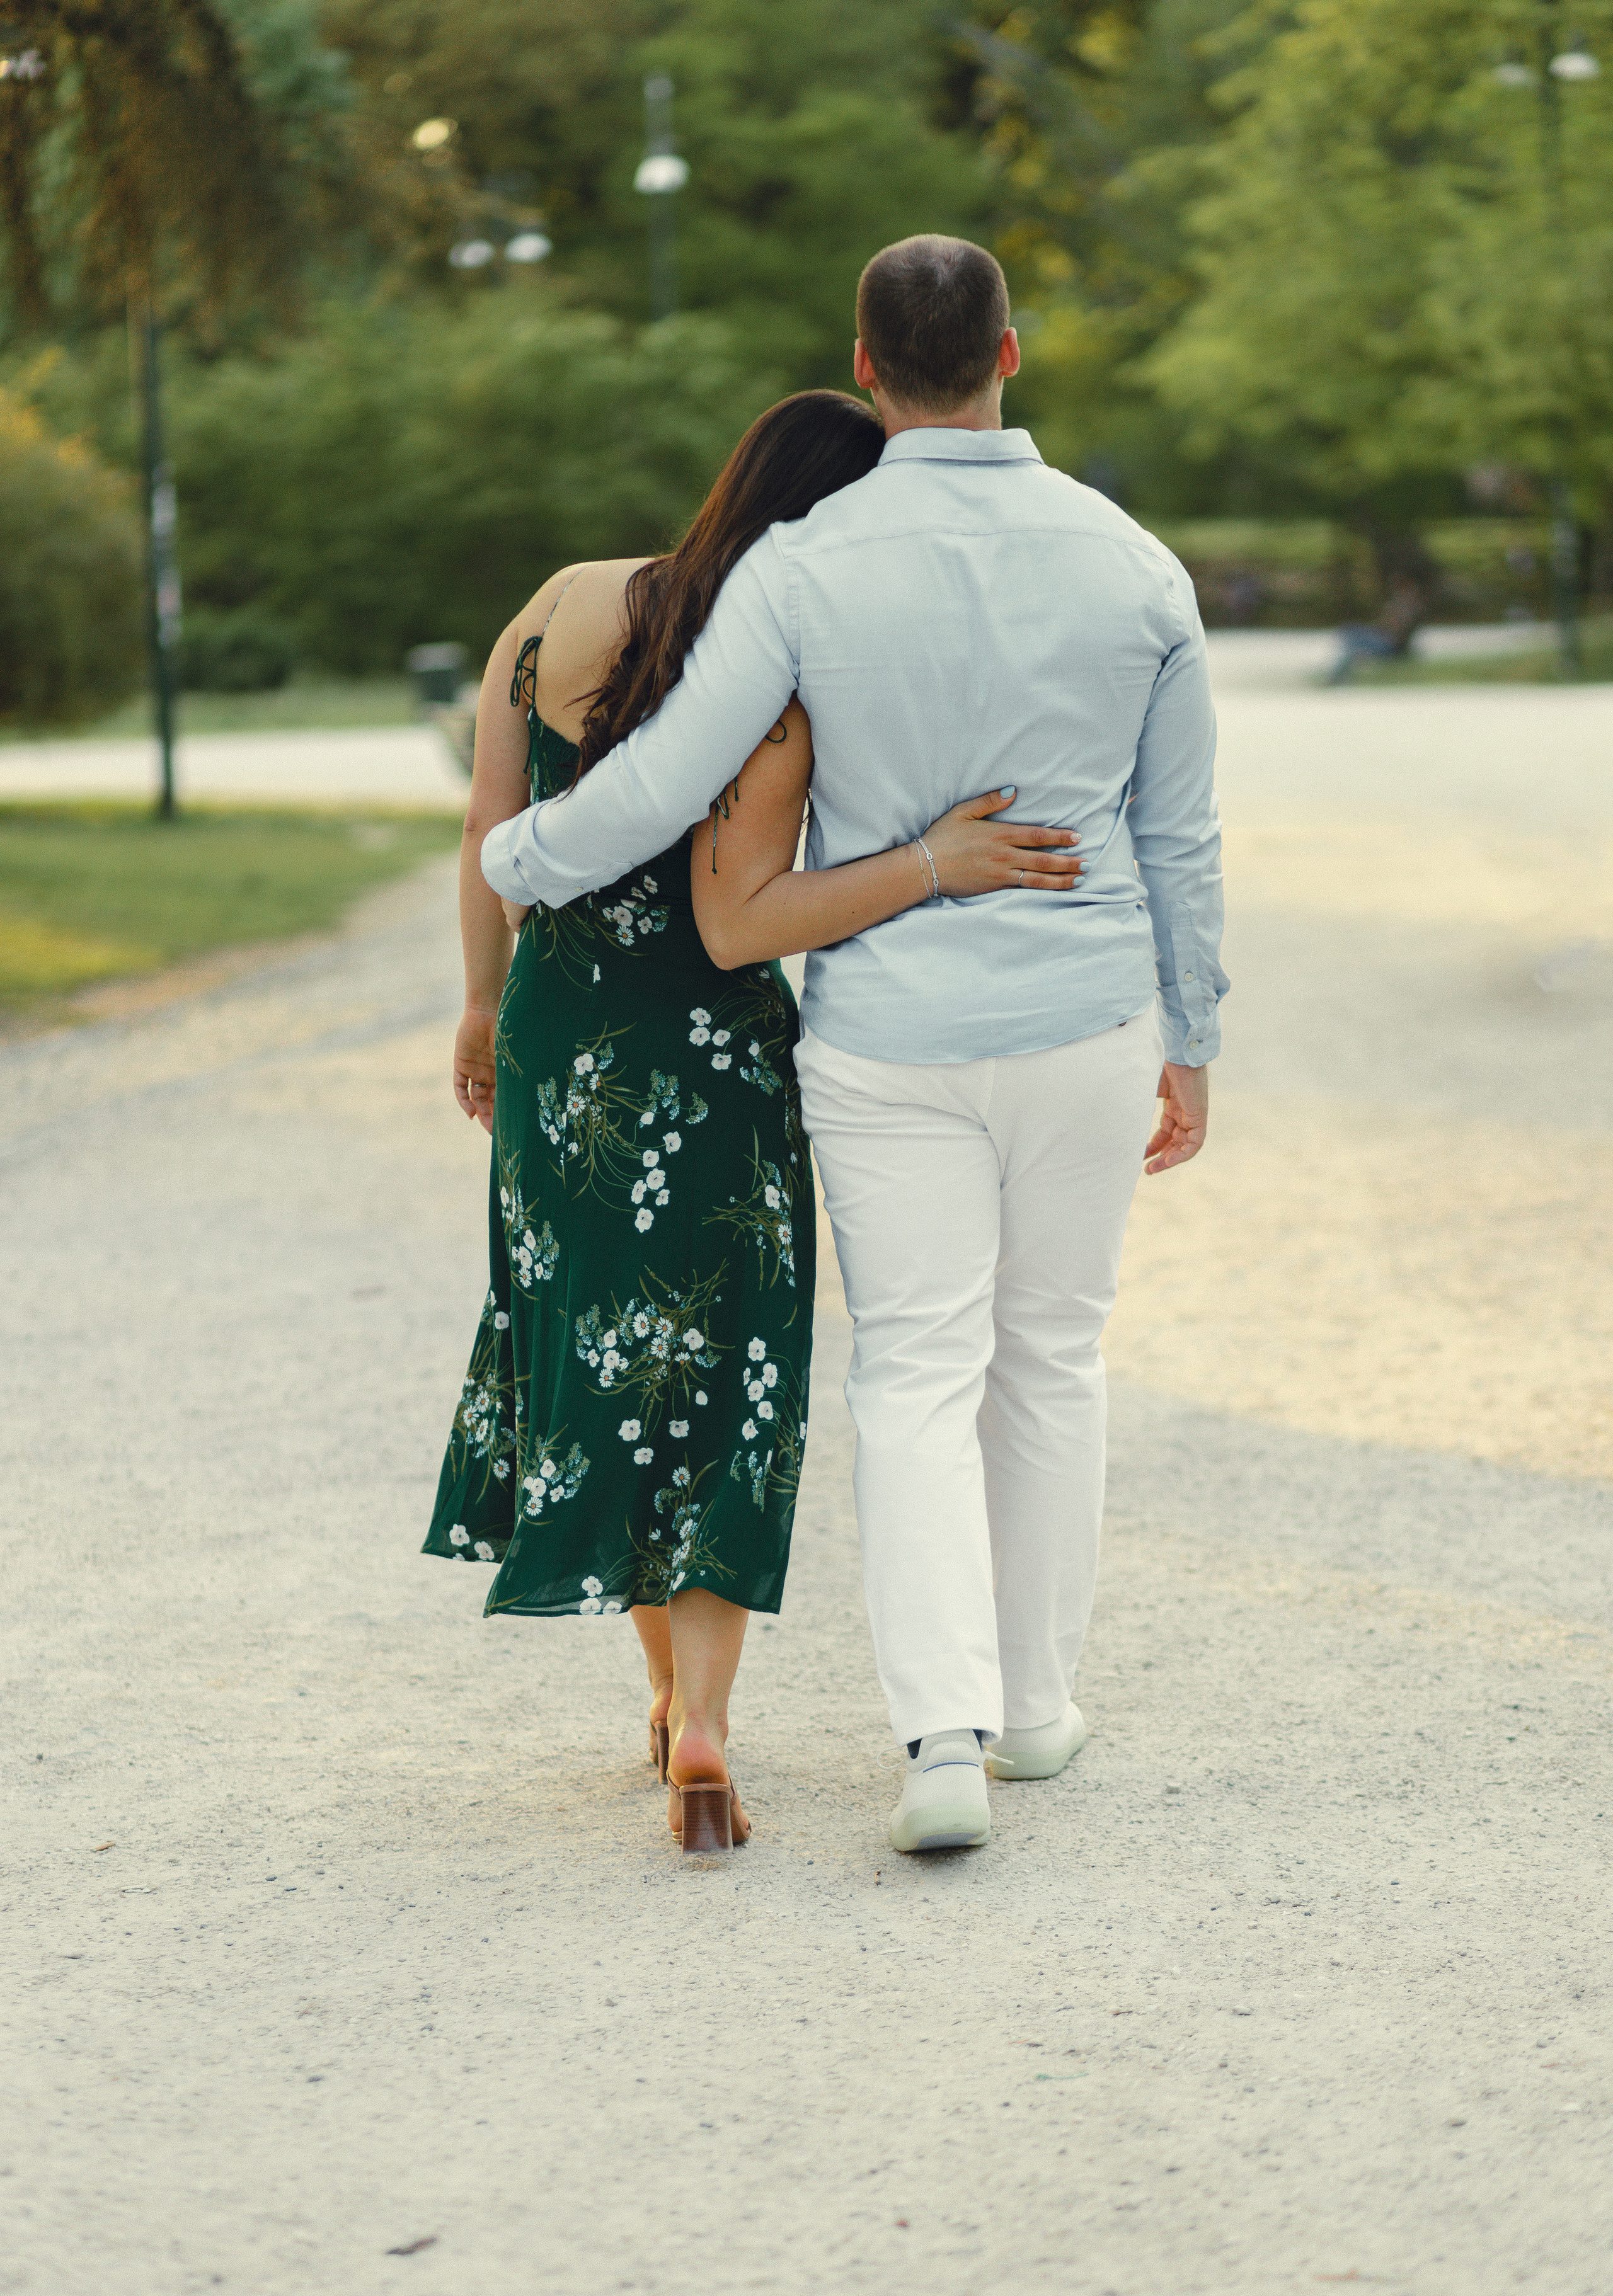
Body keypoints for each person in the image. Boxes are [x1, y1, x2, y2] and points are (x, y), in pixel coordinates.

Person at [479, 235, 1229, 1858]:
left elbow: (665, 779)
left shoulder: (802, 571)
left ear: (867, 365)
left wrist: (516, 864)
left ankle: (940, 1743)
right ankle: (1034, 1707)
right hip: (1088, 1019)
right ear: (1011, 354)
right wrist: (1193, 1036)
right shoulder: (1134, 564)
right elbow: (1181, 840)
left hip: (889, 1040)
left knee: (915, 1369)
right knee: (1051, 1357)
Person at [425, 386, 1083, 1853]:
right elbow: (745, 920)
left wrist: (478, 1003)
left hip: (560, 1043)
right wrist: (941, 861)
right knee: (722, 1382)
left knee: (600, 1351)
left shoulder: (560, 610)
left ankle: (668, 1703)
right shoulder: (775, 683)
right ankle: (710, 1720)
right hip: (711, 1062)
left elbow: (488, 835)